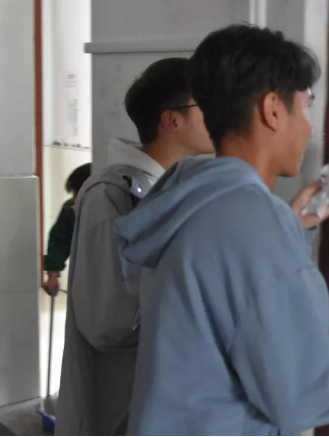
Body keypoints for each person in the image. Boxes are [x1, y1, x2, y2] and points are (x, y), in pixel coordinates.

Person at [114, 25, 329, 436]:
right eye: (306, 105)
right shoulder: (254, 224)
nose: (309, 127)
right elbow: (302, 396)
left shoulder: (192, 201)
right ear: (273, 109)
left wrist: (291, 227)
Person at [56, 58, 216, 436]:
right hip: (122, 403)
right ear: (171, 120)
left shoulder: (183, 188)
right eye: (206, 104)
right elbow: (105, 321)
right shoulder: (112, 195)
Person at [42, 163, 92, 297]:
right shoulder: (71, 209)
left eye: (78, 193)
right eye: (74, 194)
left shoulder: (120, 208)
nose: (75, 199)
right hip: (85, 273)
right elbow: (60, 240)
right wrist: (52, 275)